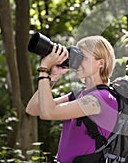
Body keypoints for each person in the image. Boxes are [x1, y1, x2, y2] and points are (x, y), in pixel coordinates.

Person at [26, 35, 118, 163]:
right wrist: (53, 77)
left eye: (83, 58)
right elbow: (33, 109)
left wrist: (44, 69)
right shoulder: (78, 95)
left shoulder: (102, 98)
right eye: (77, 57)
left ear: (100, 63)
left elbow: (48, 113)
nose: (78, 62)